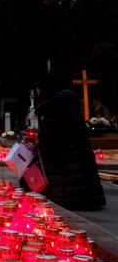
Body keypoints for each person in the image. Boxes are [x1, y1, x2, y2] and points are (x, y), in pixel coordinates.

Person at [30, 74, 105, 211]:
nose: (38, 93)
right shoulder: (70, 104)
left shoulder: (53, 107)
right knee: (81, 176)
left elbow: (49, 138)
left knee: (66, 181)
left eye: (39, 89)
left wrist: (36, 144)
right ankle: (90, 199)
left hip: (63, 157)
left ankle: (72, 199)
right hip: (78, 152)